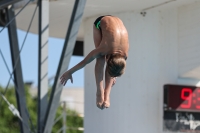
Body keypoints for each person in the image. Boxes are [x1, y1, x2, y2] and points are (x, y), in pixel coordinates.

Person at [60, 15, 129, 110]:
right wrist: (69, 72)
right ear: (107, 58)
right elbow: (85, 62)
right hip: (101, 22)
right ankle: (99, 92)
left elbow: (118, 65)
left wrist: (114, 75)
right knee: (100, 58)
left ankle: (107, 94)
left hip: (117, 22)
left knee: (114, 67)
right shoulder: (103, 49)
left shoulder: (124, 54)